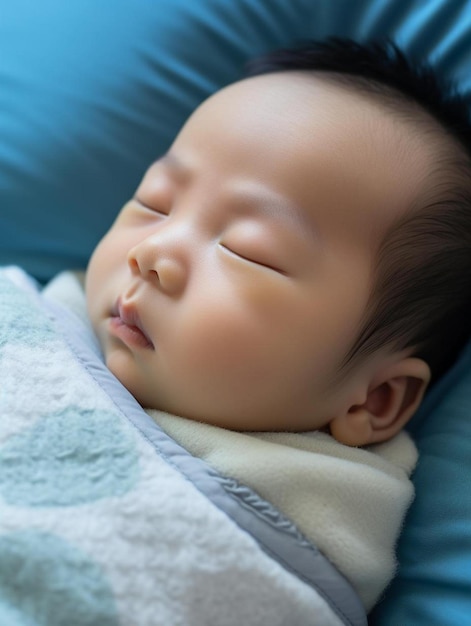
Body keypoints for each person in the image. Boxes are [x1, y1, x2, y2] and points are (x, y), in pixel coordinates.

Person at [46, 38, 471, 610]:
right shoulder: (35, 320)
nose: (152, 251)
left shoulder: (280, 545)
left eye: (249, 252)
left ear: (375, 398)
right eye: (155, 202)